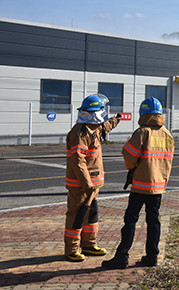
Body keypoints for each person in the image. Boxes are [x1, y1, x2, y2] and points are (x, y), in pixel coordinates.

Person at [102, 97, 174, 269]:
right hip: (158, 188)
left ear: (143, 113)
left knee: (130, 221)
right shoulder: (167, 134)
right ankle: (152, 256)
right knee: (154, 221)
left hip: (141, 185)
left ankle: (122, 256)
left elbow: (128, 154)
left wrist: (132, 167)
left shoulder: (142, 132)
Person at [65, 94, 121, 262]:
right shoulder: (80, 133)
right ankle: (72, 250)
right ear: (96, 113)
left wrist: (116, 119)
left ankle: (89, 245)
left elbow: (106, 127)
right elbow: (78, 161)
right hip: (81, 186)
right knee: (77, 217)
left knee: (91, 216)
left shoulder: (93, 128)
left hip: (92, 186)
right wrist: (87, 183)